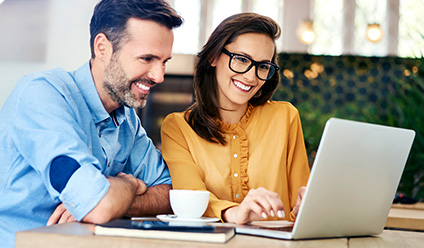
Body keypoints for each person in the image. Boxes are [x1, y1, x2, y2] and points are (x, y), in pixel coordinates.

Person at [0, 0, 182, 247]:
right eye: (147, 58)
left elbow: (171, 192)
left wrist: (107, 199)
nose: (159, 76)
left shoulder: (126, 119)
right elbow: (98, 207)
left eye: (164, 61)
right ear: (102, 48)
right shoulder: (43, 95)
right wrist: (128, 184)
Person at [161, 13, 310, 224]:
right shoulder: (178, 127)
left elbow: (301, 203)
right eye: (241, 59)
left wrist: (305, 208)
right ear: (213, 56)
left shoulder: (285, 117)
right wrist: (234, 213)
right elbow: (191, 197)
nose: (251, 77)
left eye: (263, 66)